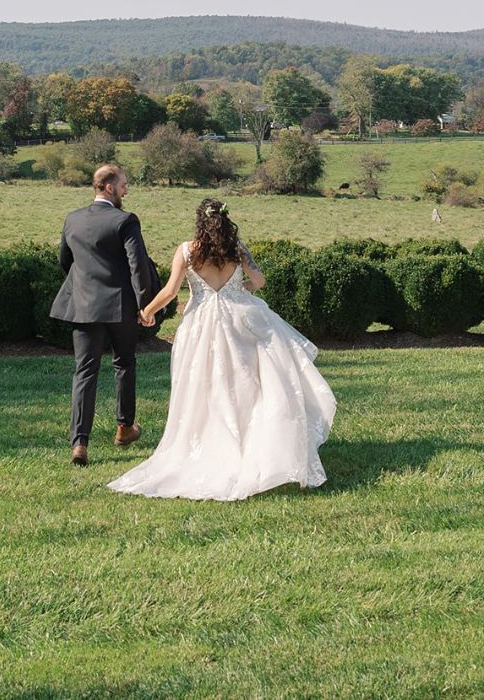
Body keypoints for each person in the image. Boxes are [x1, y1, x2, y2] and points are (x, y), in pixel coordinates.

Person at [108, 199, 337, 501]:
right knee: (250, 387)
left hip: (202, 325)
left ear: (199, 222)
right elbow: (259, 280)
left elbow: (171, 291)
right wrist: (241, 289)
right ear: (226, 221)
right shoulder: (237, 249)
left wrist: (148, 311)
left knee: (205, 388)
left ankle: (212, 442)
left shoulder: (187, 251)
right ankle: (252, 447)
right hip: (242, 318)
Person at [50, 164, 158, 467]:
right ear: (109, 187)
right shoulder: (125, 220)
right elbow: (137, 266)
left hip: (84, 308)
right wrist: (144, 305)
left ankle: (80, 443)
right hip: (120, 307)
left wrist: (84, 288)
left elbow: (65, 260)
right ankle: (124, 428)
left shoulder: (73, 219)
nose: (127, 189)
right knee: (124, 364)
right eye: (124, 184)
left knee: (84, 372)